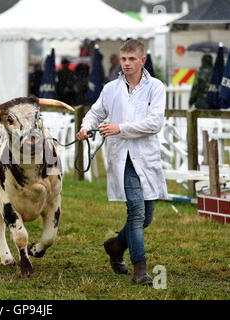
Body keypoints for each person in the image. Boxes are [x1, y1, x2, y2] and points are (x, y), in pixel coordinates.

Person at [76, 39, 168, 285]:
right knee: (136, 213)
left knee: (146, 217)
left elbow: (155, 123)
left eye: (131, 59)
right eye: (123, 59)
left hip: (145, 158)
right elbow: (95, 113)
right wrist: (86, 127)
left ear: (142, 60)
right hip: (122, 159)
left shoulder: (156, 88)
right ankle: (141, 268)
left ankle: (116, 246)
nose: (126, 64)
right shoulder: (111, 89)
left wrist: (120, 128)